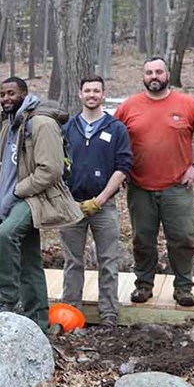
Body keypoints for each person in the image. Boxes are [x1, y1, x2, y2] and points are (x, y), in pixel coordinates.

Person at [115, 57, 194, 307]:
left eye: (158, 72)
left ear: (167, 74)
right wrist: (118, 171)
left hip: (177, 187)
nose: (154, 76)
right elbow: (114, 141)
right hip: (139, 187)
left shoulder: (187, 104)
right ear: (143, 76)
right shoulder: (129, 107)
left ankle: (183, 287)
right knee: (142, 240)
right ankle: (144, 285)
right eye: (149, 72)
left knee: (183, 238)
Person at [0, 77, 83, 330]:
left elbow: (50, 170)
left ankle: (7, 298)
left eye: (11, 93)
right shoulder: (9, 124)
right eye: (2, 94)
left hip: (36, 196)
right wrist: (0, 198)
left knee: (5, 235)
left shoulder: (41, 123)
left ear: (25, 93)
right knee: (30, 260)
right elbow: (7, 167)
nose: (6, 98)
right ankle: (38, 320)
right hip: (15, 197)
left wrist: (18, 192)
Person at [59, 75, 132, 327]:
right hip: (71, 206)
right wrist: (67, 200)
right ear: (80, 94)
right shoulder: (67, 128)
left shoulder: (116, 128)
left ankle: (109, 313)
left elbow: (123, 167)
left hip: (104, 207)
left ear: (103, 95)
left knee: (109, 261)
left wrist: (100, 200)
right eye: (87, 90)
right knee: (72, 262)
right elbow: (57, 166)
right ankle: (69, 312)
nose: (92, 95)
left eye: (96, 91)